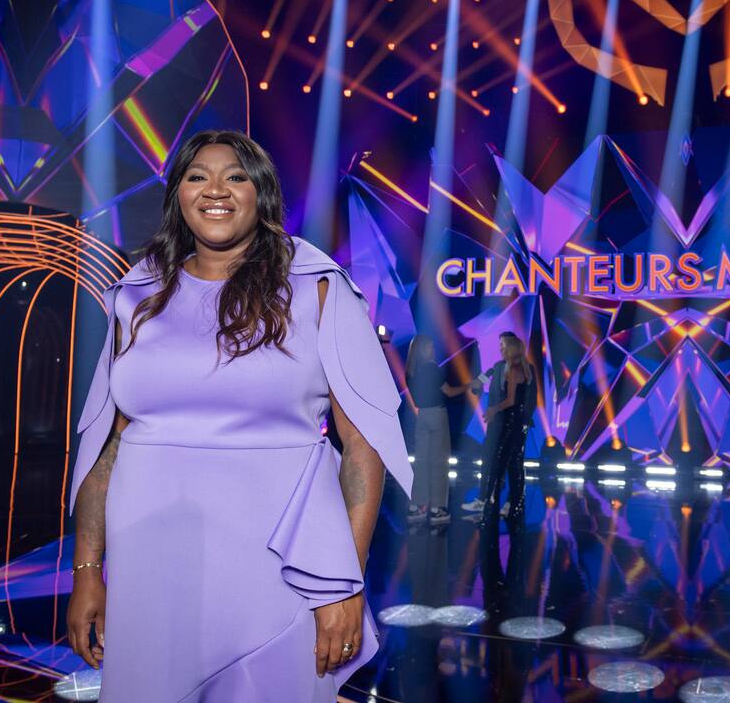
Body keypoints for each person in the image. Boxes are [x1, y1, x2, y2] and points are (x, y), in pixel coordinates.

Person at [65, 130, 412, 702]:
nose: (215, 190)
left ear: (261, 192)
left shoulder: (316, 287)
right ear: (178, 194)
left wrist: (345, 583)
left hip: (278, 560)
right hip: (150, 560)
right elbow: (108, 448)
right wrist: (86, 571)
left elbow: (361, 448)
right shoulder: (136, 295)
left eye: (236, 176)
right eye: (197, 176)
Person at [461, 332, 537, 522]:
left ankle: (512, 502)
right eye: (499, 344)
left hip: (515, 422)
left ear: (511, 346)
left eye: (502, 344)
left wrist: (524, 419)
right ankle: (484, 499)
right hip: (497, 423)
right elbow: (481, 385)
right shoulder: (496, 367)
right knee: (489, 460)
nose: (500, 348)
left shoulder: (526, 368)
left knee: (514, 463)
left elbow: (529, 398)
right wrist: (477, 384)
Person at [404, 335, 470, 525]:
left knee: (422, 463)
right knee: (439, 463)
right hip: (437, 416)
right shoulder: (432, 368)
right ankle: (437, 509)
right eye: (430, 347)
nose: (433, 350)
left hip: (422, 417)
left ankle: (417, 506)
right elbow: (449, 391)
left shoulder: (410, 371)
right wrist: (469, 386)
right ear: (423, 349)